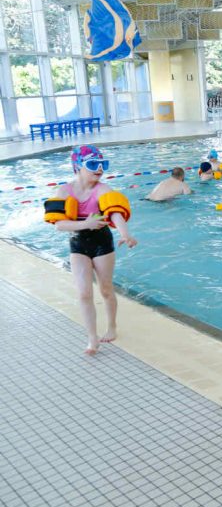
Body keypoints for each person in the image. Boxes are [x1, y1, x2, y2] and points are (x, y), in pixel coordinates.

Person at [44, 145, 137, 355]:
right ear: (78, 166)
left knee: (106, 289)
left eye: (103, 164)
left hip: (101, 242)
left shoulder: (103, 189)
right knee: (84, 293)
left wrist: (125, 234)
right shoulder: (64, 191)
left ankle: (112, 326)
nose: (100, 169)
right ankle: (92, 338)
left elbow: (115, 213)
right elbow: (59, 225)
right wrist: (86, 224)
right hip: (78, 243)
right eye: (94, 164)